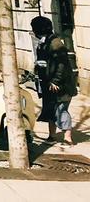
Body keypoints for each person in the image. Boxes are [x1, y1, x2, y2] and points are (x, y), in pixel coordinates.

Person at [32, 16, 77, 146]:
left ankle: (68, 138)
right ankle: (51, 136)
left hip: (61, 84)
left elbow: (62, 64)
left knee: (61, 109)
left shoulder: (55, 43)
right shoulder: (44, 42)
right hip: (48, 82)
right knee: (50, 109)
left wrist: (56, 81)